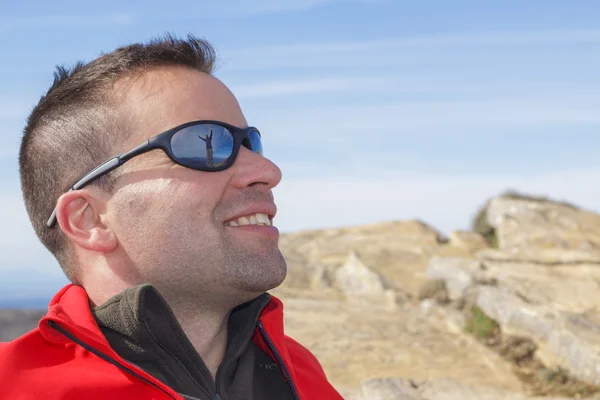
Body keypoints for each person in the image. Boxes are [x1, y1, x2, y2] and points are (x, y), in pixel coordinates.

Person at [0, 34, 343, 400]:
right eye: (205, 142)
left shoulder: (303, 376)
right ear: (91, 219)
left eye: (250, 143)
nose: (267, 170)